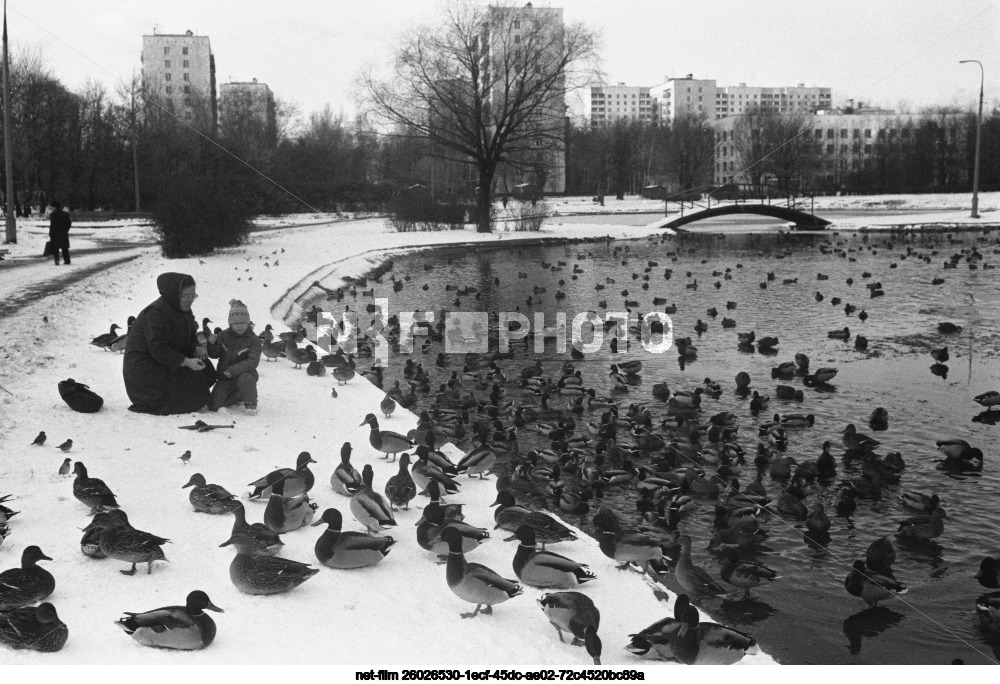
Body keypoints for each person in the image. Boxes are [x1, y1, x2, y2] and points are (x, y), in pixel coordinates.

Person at [123, 272, 216, 415]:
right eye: (186, 296)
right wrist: (185, 361)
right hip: (145, 370)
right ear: (174, 294)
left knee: (206, 368)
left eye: (193, 296)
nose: (190, 300)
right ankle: (152, 401)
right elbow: (158, 349)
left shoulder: (183, 309)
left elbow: (189, 335)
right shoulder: (156, 313)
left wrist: (195, 347)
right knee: (195, 380)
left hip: (166, 362)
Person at [207, 299, 262, 414]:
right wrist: (212, 344)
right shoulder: (223, 335)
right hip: (226, 377)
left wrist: (233, 370)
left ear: (248, 323)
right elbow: (214, 355)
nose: (239, 326)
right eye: (236, 324)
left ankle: (251, 404)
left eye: (243, 323)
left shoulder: (254, 339)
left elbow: (252, 361)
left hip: (244, 374)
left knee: (246, 379)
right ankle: (238, 394)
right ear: (230, 323)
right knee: (213, 405)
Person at [49, 201, 72, 265]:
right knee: (65, 248)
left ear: (54, 207)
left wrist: (51, 234)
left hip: (55, 233)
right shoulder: (65, 214)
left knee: (55, 248)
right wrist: (66, 230)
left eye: (52, 207)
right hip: (63, 233)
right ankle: (67, 260)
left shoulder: (52, 215)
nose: (51, 208)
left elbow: (52, 225)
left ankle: (57, 260)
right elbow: (69, 223)